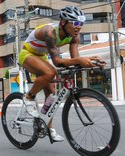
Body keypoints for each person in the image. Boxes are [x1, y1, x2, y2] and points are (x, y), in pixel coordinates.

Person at [18, 6, 105, 142]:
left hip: (41, 57)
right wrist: (80, 60)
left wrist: (91, 60)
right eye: (75, 23)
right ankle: (29, 97)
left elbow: (75, 60)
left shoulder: (74, 37)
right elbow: (57, 62)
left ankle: (48, 127)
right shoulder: (50, 32)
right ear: (63, 22)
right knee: (51, 72)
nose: (78, 27)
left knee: (51, 96)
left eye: (81, 24)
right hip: (27, 54)